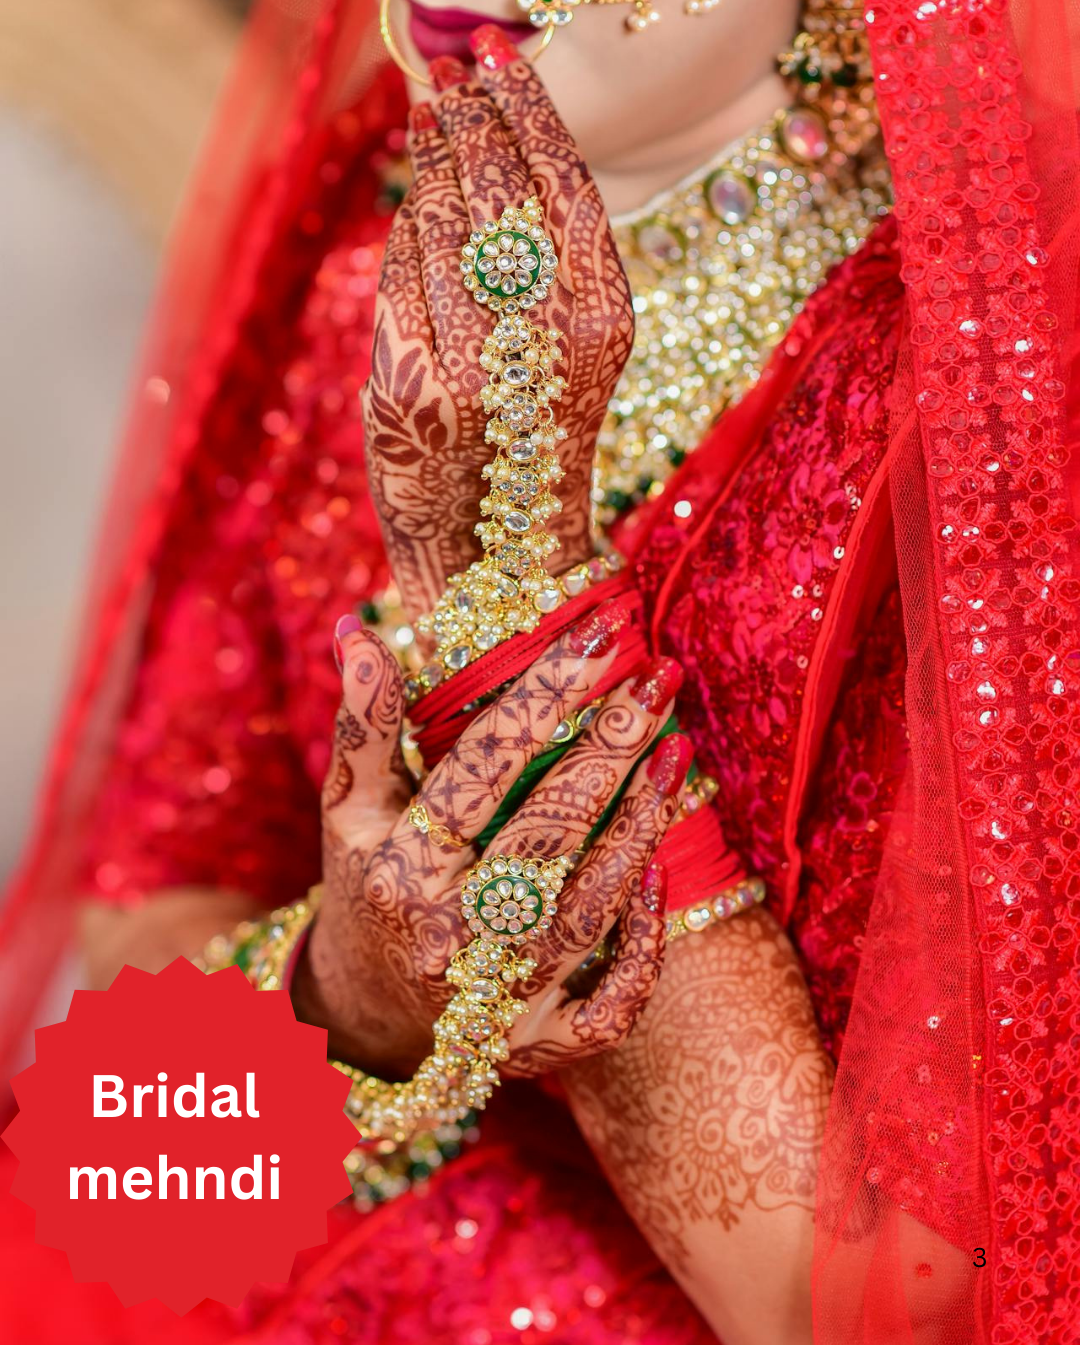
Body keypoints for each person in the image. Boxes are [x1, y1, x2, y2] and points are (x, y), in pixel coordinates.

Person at [1, 0, 1078, 1342]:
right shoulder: (371, 277)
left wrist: (507, 595)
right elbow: (122, 1134)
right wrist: (348, 1000)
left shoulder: (1000, 383)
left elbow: (879, 1318)